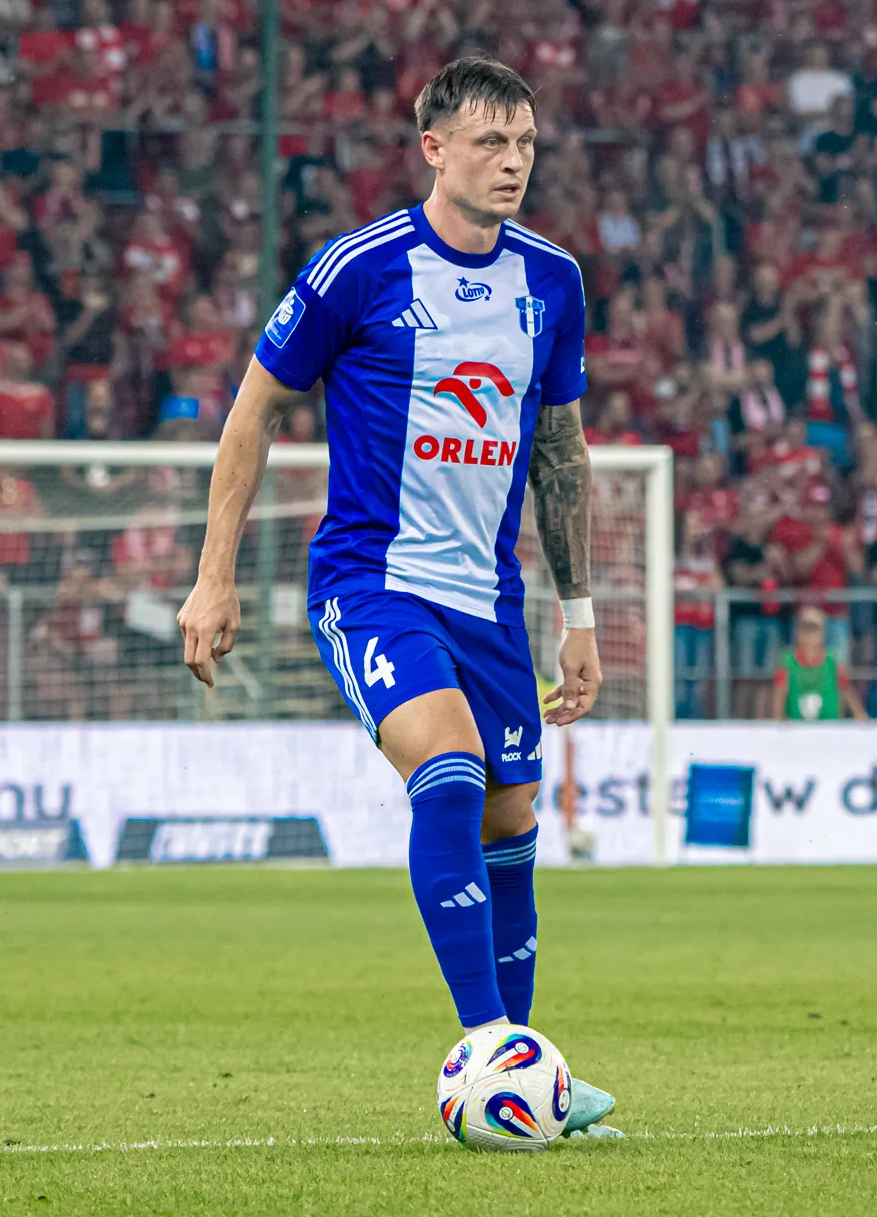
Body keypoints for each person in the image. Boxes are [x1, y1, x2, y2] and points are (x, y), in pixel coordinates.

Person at [176, 59, 617, 1138]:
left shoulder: (552, 281)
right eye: (489, 142)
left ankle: (528, 1078)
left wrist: (581, 615)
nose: (512, 161)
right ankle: (490, 1044)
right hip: (373, 583)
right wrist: (213, 574)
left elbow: (561, 451)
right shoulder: (359, 269)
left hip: (491, 601)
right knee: (451, 769)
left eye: (525, 142)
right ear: (433, 148)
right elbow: (253, 410)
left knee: (511, 817)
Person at [769, 604, 867, 721]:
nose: (809, 635)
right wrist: (778, 718)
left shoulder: (832, 660)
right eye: (805, 628)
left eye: (814, 629)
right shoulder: (787, 661)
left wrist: (859, 713)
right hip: (798, 726)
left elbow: (846, 689)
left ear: (823, 633)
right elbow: (780, 693)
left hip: (829, 726)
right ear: (797, 632)